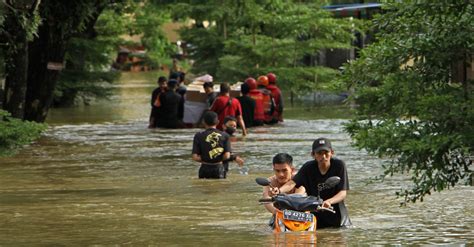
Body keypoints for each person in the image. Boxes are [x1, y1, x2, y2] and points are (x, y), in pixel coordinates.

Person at [269, 137, 351, 228]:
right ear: (313, 154)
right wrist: (279, 191)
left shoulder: (339, 165)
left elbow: (343, 192)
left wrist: (329, 201)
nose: (323, 156)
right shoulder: (308, 167)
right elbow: (293, 183)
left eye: (326, 153)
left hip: (337, 216)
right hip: (314, 214)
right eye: (319, 153)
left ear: (332, 153)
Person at [192, 111, 231, 179]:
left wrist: (207, 159)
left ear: (203, 122)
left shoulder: (198, 136)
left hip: (204, 169)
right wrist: (216, 159)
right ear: (218, 122)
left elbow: (195, 157)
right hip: (219, 168)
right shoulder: (225, 135)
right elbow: (227, 156)